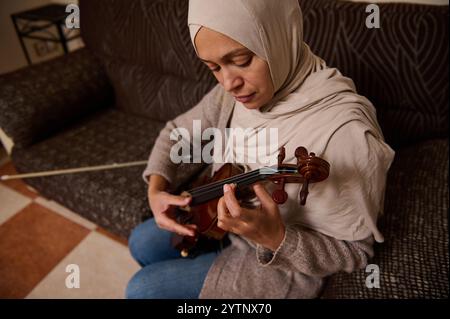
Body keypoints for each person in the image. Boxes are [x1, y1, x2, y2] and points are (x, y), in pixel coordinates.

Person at [126, 0, 395, 299]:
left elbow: (353, 252)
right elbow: (176, 132)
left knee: (141, 290)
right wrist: (156, 189)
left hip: (280, 266)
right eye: (214, 67)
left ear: (277, 38)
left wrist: (274, 236)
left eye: (241, 60)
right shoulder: (233, 95)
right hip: (215, 216)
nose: (229, 83)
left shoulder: (347, 134)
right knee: (140, 241)